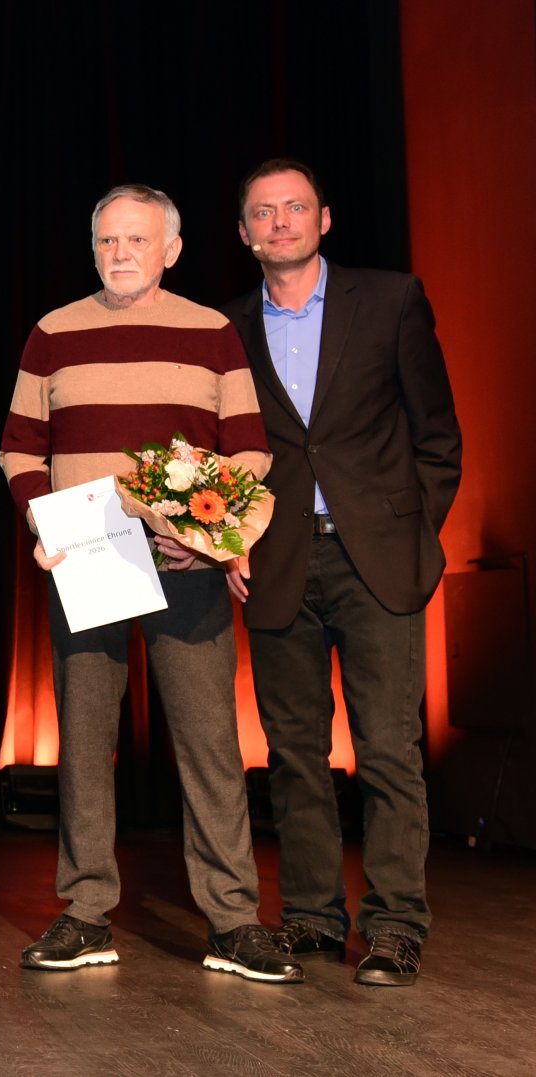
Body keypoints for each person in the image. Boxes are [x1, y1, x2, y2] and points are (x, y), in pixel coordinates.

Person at [0, 184, 302, 983]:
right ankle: (86, 911)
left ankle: (233, 921)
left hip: (186, 564)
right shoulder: (52, 333)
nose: (120, 253)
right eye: (107, 241)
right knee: (84, 745)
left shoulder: (212, 333)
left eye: (136, 240)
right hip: (89, 559)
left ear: (171, 249)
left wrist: (216, 535)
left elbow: (248, 452)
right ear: (92, 246)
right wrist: (44, 527)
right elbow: (20, 452)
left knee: (209, 744)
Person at [222, 159, 461, 987]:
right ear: (244, 232)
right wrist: (226, 544)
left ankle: (395, 926)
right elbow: (220, 458)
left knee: (389, 750)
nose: (280, 222)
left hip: (377, 560)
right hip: (279, 562)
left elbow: (438, 433)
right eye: (263, 212)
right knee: (293, 753)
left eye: (295, 208)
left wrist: (415, 536)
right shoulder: (228, 327)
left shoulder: (391, 299)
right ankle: (315, 920)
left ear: (324, 218)